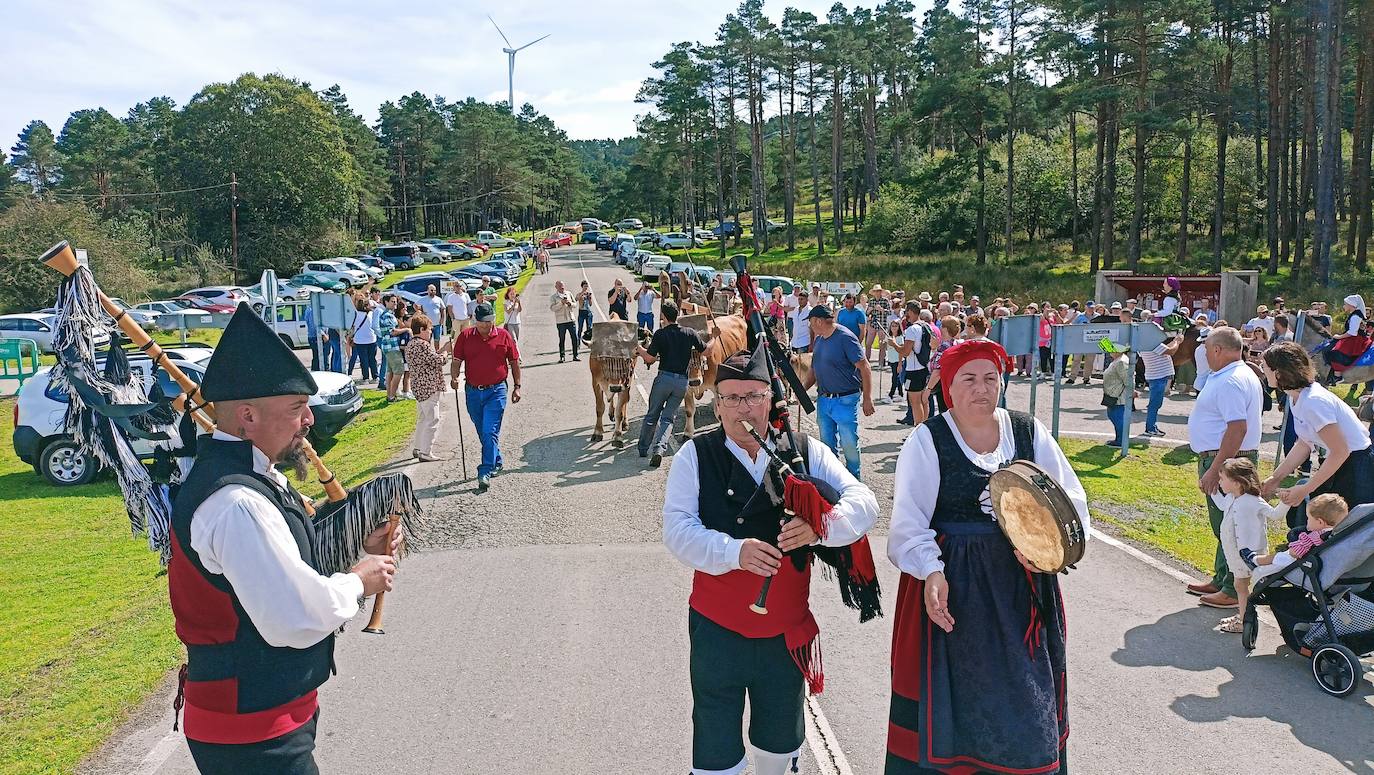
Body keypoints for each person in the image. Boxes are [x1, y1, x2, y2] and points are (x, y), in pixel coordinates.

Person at [168, 304, 399, 774]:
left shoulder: (253, 477)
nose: (309, 420)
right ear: (247, 416)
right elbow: (291, 616)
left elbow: (289, 563)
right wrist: (359, 581)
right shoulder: (237, 502)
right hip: (249, 729)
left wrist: (364, 552)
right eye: (296, 408)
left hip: (265, 714)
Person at [662, 342, 879, 775]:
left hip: (784, 631)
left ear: (770, 400)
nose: (745, 407)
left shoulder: (803, 450)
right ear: (718, 404)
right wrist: (733, 551)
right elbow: (677, 531)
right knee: (716, 743)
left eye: (755, 396)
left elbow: (864, 502)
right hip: (717, 628)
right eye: (733, 398)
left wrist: (821, 525)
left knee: (779, 740)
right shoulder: (695, 455)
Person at [886, 339, 1089, 775]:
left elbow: (1070, 501)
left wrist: (1049, 552)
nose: (981, 389)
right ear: (949, 387)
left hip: (1022, 582)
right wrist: (930, 572)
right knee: (958, 698)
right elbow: (907, 524)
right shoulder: (928, 439)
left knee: (1025, 695)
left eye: (990, 378)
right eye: (969, 379)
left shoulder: (1028, 430)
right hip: (955, 587)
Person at [1186, 326, 1264, 609]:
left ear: (1217, 350)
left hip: (1226, 460)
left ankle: (1233, 589)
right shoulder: (1234, 374)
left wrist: (1215, 468)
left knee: (1231, 528)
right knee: (1224, 525)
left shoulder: (1231, 380)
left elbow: (1237, 428)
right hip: (1226, 458)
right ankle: (1223, 579)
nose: (1205, 355)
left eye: (1207, 350)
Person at [1260, 341, 1374, 522]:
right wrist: (1276, 478)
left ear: (1279, 372)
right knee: (1320, 522)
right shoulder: (1296, 396)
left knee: (1343, 526)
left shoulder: (1314, 402)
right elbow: (1304, 443)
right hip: (1345, 461)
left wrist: (1305, 489)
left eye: (1264, 366)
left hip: (1358, 465)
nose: (1262, 370)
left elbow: (1340, 451)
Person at [450, 303, 522, 492]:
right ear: (475, 321)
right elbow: (456, 361)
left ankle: (485, 470)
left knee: (490, 430)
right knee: (483, 431)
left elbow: (514, 362)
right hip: (473, 392)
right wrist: (454, 376)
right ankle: (496, 459)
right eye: (482, 323)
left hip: (496, 390)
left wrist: (517, 387)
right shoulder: (465, 336)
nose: (486, 327)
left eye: (489, 322)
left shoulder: (503, 336)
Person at [1209, 458, 1283, 633]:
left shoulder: (1253, 501)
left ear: (1236, 482)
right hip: (1235, 552)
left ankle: (1244, 621)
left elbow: (1275, 514)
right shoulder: (1231, 497)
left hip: (1249, 553)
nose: (1220, 482)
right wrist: (1212, 492)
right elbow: (1221, 505)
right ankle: (1243, 615)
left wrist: (1286, 502)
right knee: (1240, 585)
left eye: (1222, 479)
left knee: (1241, 586)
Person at [802, 305, 874, 479]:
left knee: (849, 442)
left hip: (845, 399)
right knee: (827, 444)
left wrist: (867, 398)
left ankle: (854, 479)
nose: (810, 326)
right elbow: (814, 370)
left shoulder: (845, 338)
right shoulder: (819, 340)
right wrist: (802, 390)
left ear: (818, 321)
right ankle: (833, 479)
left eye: (810, 322)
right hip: (824, 400)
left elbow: (865, 367)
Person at [635, 300, 708, 468]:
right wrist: (715, 337)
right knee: (668, 418)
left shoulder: (660, 334)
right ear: (677, 316)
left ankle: (643, 448)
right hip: (682, 382)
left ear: (663, 316)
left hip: (664, 379)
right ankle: (659, 450)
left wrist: (638, 347)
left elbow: (650, 359)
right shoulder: (689, 332)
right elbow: (707, 351)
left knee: (652, 415)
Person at [1248, 493, 1348, 581]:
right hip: (1319, 563)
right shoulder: (1338, 533)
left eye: (1308, 518)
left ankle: (1254, 560)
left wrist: (1292, 549)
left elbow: (1294, 553)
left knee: (1276, 558)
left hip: (1299, 563)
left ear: (1320, 522)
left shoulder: (1316, 536)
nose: (1307, 521)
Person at [405, 313, 450, 462]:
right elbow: (436, 361)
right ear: (422, 329)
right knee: (433, 419)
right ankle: (426, 452)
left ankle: (418, 447)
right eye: (429, 329)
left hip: (419, 386)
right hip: (428, 386)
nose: (431, 332)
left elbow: (428, 360)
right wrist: (445, 352)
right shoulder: (422, 345)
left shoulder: (411, 344)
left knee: (423, 419)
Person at [895, 302, 933, 426]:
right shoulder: (926, 326)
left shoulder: (912, 329)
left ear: (910, 311)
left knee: (915, 402)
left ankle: (919, 428)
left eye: (907, 311)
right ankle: (925, 427)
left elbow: (905, 352)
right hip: (925, 367)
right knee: (924, 401)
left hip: (914, 370)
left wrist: (894, 344)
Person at [1140, 332, 1181, 436]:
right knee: (1155, 405)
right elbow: (1171, 351)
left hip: (1156, 377)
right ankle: (1150, 428)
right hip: (1158, 377)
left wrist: (1174, 341)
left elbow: (1166, 348)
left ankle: (1152, 427)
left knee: (1154, 404)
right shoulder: (1153, 344)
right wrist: (1177, 341)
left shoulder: (1145, 344)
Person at [1100, 340, 1135, 446]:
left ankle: (1121, 441)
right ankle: (1119, 439)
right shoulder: (1118, 360)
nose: (1109, 350)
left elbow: (1128, 379)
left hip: (1119, 397)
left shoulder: (1121, 361)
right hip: (1113, 395)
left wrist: (1132, 391)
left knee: (1117, 418)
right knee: (1114, 416)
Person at [1324, 294, 1371, 373]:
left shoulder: (1356, 316)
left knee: (1336, 352)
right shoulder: (1355, 314)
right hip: (1353, 338)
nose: (1344, 306)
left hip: (1355, 340)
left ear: (1351, 305)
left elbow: (1352, 332)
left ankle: (1337, 374)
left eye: (1345, 304)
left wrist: (1339, 337)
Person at [377, 295, 408, 402]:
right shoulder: (387, 316)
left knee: (390, 372)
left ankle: (389, 395)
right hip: (392, 346)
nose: (395, 304)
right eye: (392, 302)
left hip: (388, 346)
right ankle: (392, 396)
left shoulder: (389, 315)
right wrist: (406, 329)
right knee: (399, 371)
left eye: (395, 302)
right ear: (386, 302)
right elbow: (393, 332)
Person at [348, 294, 379, 382]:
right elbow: (377, 307)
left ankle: (365, 377)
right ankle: (375, 376)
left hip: (360, 340)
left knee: (363, 360)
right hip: (371, 339)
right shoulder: (371, 314)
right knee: (372, 359)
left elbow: (352, 326)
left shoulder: (355, 315)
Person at [550, 280, 580, 362]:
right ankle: (562, 356)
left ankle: (575, 355)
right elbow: (553, 308)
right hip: (561, 321)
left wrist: (570, 303)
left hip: (570, 319)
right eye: (560, 286)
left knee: (574, 338)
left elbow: (575, 304)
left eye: (563, 286)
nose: (562, 287)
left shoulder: (569, 294)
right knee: (562, 339)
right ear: (556, 287)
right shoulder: (553, 297)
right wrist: (561, 303)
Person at [884, 319, 905, 403]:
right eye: (892, 326)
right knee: (897, 378)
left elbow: (901, 351)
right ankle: (900, 394)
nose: (894, 328)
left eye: (896, 326)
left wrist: (900, 363)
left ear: (898, 327)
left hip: (898, 360)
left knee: (895, 378)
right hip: (891, 359)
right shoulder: (888, 336)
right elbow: (884, 346)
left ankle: (891, 395)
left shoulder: (900, 337)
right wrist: (882, 343)